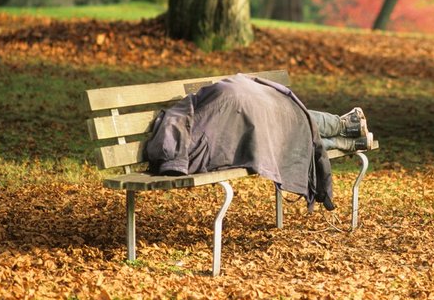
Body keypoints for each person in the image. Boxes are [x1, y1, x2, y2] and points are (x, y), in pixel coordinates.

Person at [144, 73, 372, 211]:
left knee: (283, 128)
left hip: (235, 111)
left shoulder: (180, 126)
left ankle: (347, 138)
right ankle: (347, 130)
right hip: (236, 110)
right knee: (285, 126)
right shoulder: (182, 125)